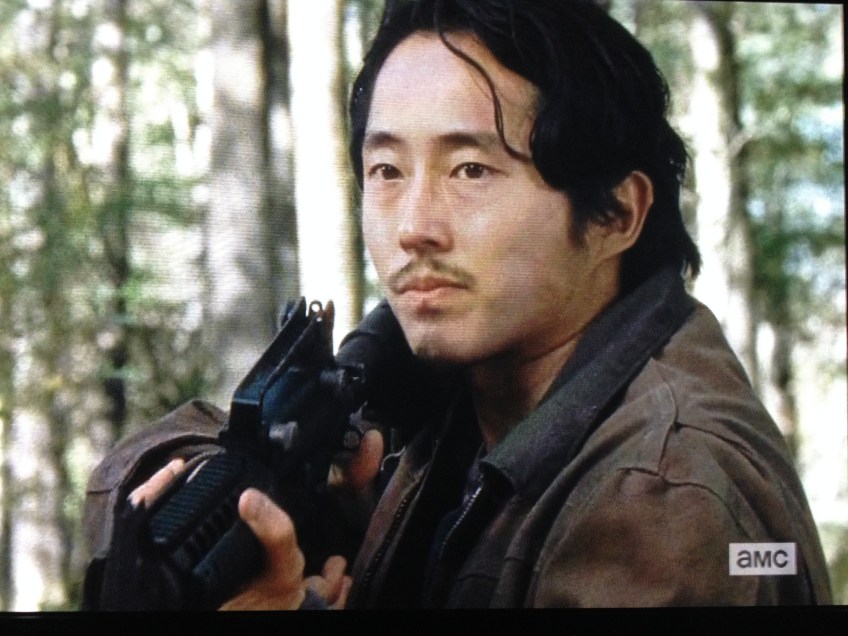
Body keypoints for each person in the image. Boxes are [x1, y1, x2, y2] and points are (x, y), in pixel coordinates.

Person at [88, 0, 833, 608]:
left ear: (615, 215)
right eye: (387, 171)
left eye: (471, 169)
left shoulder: (661, 501)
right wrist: (267, 498)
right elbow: (121, 482)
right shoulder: (474, 384)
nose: (413, 226)